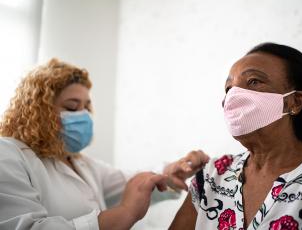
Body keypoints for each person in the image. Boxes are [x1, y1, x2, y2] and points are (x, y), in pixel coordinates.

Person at [0, 58, 209, 230]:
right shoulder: (9, 154)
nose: (83, 115)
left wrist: (171, 172)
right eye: (72, 107)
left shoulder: (82, 164)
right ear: (38, 112)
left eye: (87, 107)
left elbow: (132, 182)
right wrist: (124, 213)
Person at [169, 43, 302, 229]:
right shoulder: (211, 176)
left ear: (294, 102)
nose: (233, 96)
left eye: (253, 81)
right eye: (229, 88)